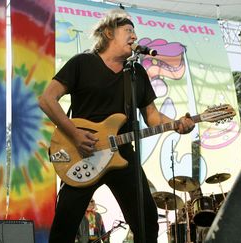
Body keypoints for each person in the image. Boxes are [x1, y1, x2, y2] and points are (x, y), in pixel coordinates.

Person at [38, 9, 195, 243]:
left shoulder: (135, 73)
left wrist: (177, 124)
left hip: (121, 153)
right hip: (83, 152)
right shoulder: (82, 63)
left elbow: (151, 115)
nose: (134, 36)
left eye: (134, 31)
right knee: (65, 224)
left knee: (147, 221)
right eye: (128, 30)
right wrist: (75, 134)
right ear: (108, 33)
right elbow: (47, 99)